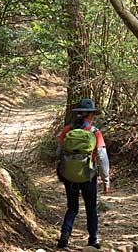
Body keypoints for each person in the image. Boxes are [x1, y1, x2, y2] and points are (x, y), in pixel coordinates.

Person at [56, 98, 110, 249]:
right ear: (91, 115)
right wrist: (106, 180)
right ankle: (93, 240)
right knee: (91, 208)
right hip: (88, 176)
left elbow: (58, 152)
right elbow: (102, 158)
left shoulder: (67, 130)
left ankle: (64, 238)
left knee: (72, 207)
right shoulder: (95, 133)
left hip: (69, 176)